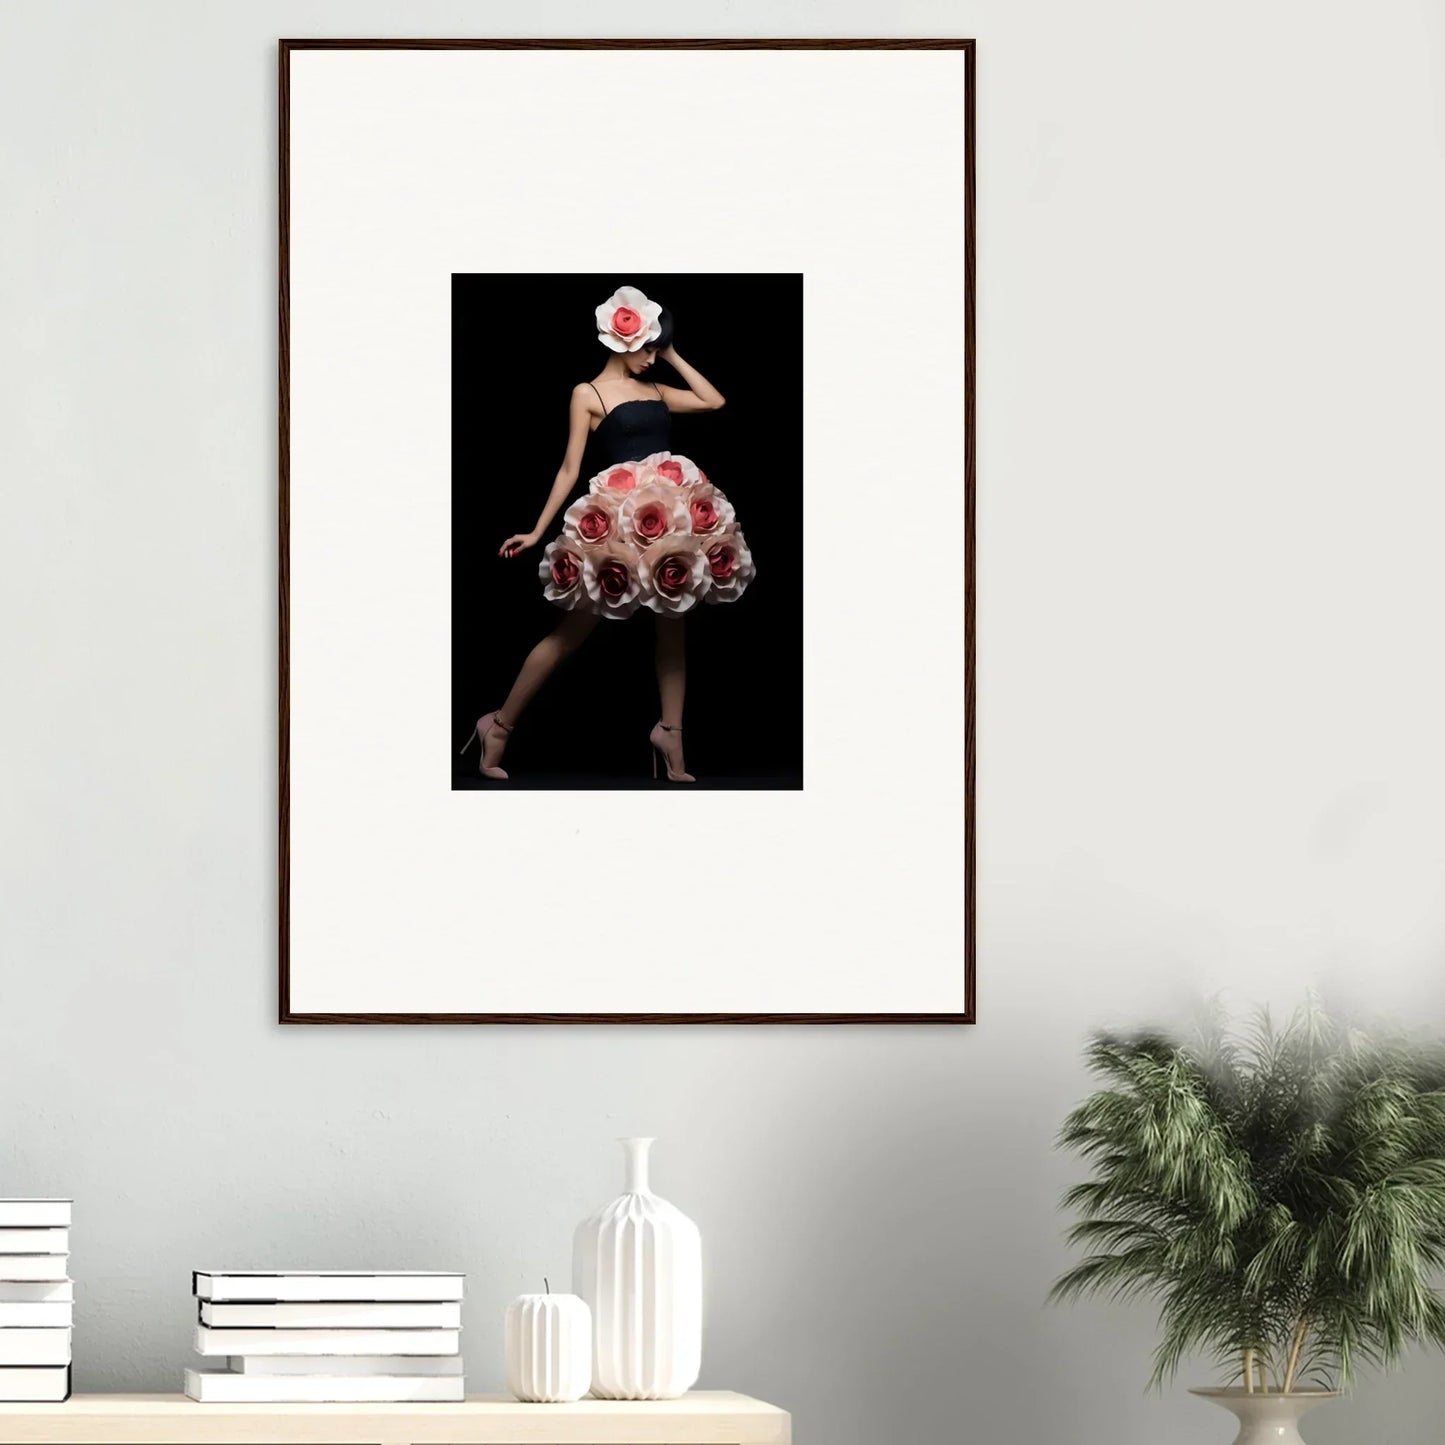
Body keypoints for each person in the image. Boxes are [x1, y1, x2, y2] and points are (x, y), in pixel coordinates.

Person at [461, 286, 754, 784]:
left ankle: (671, 737)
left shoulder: (658, 390)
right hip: (620, 522)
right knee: (570, 632)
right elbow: (569, 467)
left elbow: (714, 401)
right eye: (645, 347)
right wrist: (536, 531)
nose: (650, 358)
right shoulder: (588, 394)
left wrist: (671, 351)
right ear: (619, 342)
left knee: (673, 627)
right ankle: (499, 725)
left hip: (670, 522)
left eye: (656, 349)